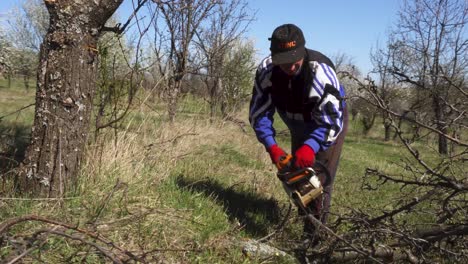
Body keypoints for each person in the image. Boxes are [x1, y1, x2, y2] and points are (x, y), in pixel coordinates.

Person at [248, 23, 348, 245]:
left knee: (317, 181)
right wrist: (271, 146)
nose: (290, 67)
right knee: (297, 174)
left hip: (327, 123)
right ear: (274, 56)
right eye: (284, 62)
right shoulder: (266, 71)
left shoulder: (321, 72)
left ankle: (314, 239)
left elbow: (332, 121)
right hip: (295, 121)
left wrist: (311, 145)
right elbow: (259, 113)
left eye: (295, 60)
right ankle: (305, 218)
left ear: (303, 51)